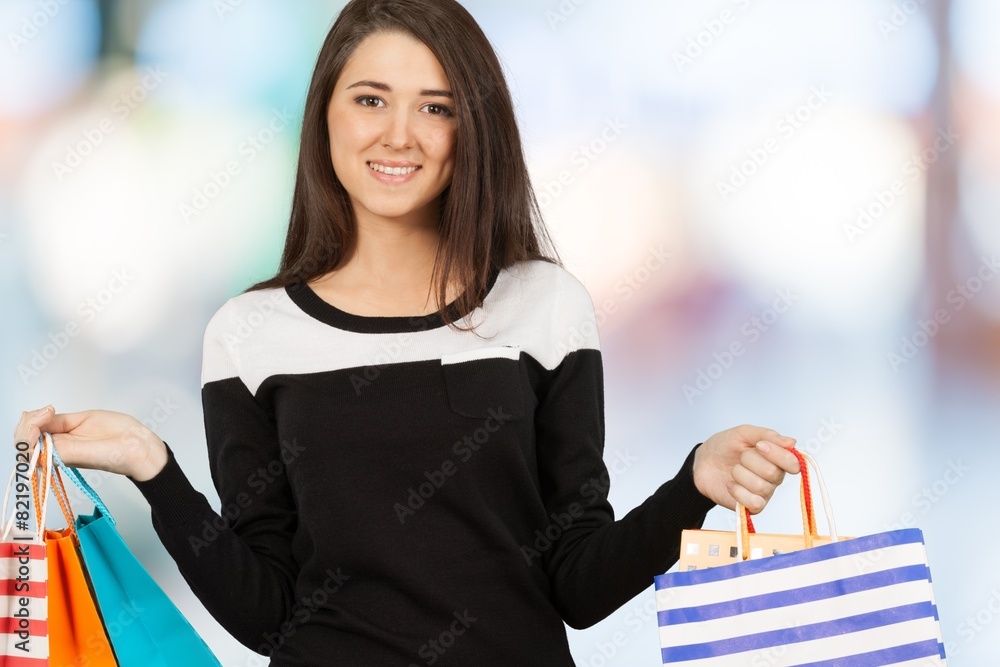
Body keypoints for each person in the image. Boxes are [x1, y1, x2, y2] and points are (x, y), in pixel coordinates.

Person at [14, 0, 801, 664]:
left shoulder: (544, 305)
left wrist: (693, 484)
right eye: (370, 99)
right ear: (325, 110)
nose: (400, 134)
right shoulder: (250, 332)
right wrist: (154, 470)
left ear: (472, 128)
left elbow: (578, 583)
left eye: (436, 106)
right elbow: (268, 615)